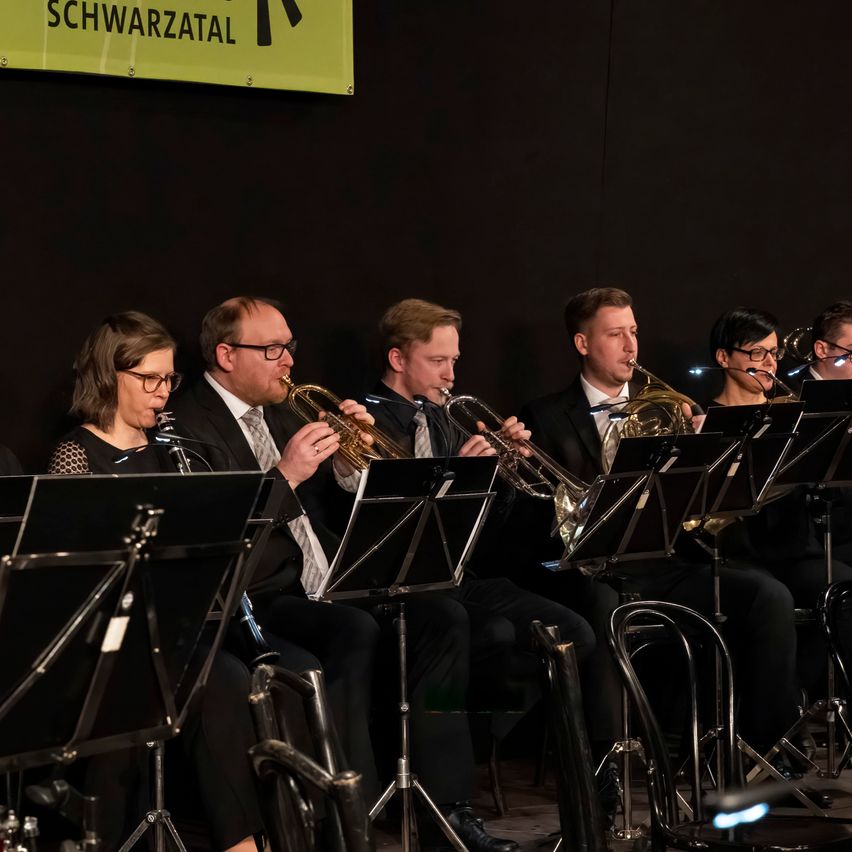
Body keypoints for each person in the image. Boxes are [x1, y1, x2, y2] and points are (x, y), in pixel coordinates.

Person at [171, 296, 524, 852]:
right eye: (273, 349)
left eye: (289, 346)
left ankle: (448, 808)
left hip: (328, 573)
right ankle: (348, 813)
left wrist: (347, 460)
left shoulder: (286, 410)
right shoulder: (188, 424)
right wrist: (284, 475)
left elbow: (348, 511)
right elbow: (218, 534)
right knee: (352, 631)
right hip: (258, 592)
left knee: (442, 618)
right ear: (226, 355)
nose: (290, 361)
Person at [518, 288, 800, 763]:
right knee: (603, 606)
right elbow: (539, 515)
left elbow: (695, 507)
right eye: (615, 334)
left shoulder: (669, 407)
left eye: (633, 332)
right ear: (583, 344)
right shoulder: (544, 415)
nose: (631, 346)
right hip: (590, 568)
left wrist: (702, 453)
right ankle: (607, 764)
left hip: (660, 562)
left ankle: (767, 750)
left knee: (766, 595)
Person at [365, 298, 609, 816]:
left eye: (454, 360)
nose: (451, 375)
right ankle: (447, 792)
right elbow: (393, 527)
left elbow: (486, 534)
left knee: (573, 634)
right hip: (398, 582)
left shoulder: (448, 419)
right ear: (397, 359)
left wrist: (503, 477)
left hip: (460, 574)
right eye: (437, 361)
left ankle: (469, 737)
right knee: (486, 631)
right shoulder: (366, 420)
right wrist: (460, 477)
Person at [47, 311, 263, 852]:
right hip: (106, 636)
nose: (163, 392)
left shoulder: (172, 450)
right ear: (109, 374)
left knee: (226, 675)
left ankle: (243, 843)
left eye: (169, 379)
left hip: (171, 628)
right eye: (149, 379)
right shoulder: (76, 453)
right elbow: (68, 570)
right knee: (189, 680)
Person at [707, 305, 852, 701]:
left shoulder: (793, 416)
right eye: (757, 352)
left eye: (773, 352)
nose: (770, 362)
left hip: (793, 549)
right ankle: (782, 715)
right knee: (780, 598)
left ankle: (807, 698)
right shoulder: (706, 420)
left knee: (842, 590)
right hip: (739, 553)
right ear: (724, 357)